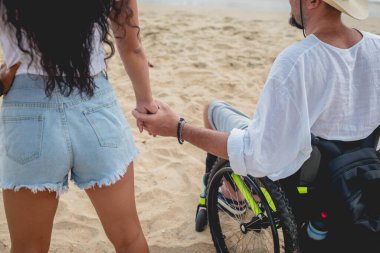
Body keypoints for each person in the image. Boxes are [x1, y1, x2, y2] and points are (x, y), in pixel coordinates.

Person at [133, 0, 380, 251]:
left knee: (213, 109)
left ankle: (233, 197)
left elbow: (259, 155)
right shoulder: (377, 47)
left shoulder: (297, 61)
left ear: (314, 1)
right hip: (357, 175)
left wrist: (178, 127)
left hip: (303, 182)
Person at [0, 0, 157, 252]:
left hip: (27, 114)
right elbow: (131, 46)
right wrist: (145, 103)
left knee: (28, 247)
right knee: (129, 237)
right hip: (95, 104)